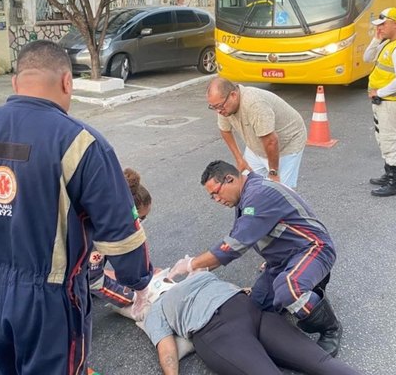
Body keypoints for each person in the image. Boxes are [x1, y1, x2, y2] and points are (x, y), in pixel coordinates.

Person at [0, 40, 154, 374]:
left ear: (15, 83)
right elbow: (120, 234)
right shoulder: (82, 144)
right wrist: (139, 281)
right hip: (48, 301)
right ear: (67, 82)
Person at [169, 160, 343, 356]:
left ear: (229, 179)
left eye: (216, 193)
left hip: (313, 250)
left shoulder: (259, 195)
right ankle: (306, 288)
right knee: (257, 305)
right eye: (212, 197)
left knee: (289, 289)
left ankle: (331, 328)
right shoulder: (246, 196)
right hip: (282, 260)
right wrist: (204, 266)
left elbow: (233, 245)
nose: (216, 199)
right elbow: (237, 237)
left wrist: (192, 264)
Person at [136, 270, 361, 375]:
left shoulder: (156, 309)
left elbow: (167, 350)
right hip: (248, 309)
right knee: (319, 361)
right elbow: (240, 290)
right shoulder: (199, 277)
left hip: (219, 333)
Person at [207, 77, 307, 188]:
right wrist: (239, 159)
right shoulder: (224, 107)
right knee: (247, 185)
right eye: (213, 107)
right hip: (258, 143)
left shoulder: (254, 104)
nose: (218, 111)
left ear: (233, 95)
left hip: (287, 143)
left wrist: (273, 172)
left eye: (219, 106)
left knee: (278, 190)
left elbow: (271, 141)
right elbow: (225, 130)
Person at [363, 7, 396, 197]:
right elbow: (367, 58)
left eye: (383, 24)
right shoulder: (389, 43)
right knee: (382, 138)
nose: (379, 28)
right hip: (383, 101)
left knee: (389, 139)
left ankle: (394, 182)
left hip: (391, 101)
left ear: (395, 23)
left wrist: (380, 92)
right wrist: (376, 39)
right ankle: (388, 174)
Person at [89, 168, 152, 308]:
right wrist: (131, 298)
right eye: (140, 218)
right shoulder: (97, 232)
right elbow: (93, 280)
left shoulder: (105, 215)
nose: (140, 223)